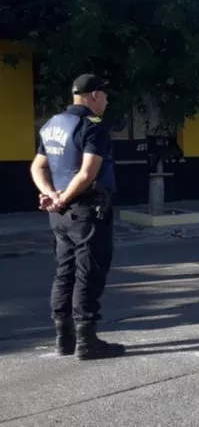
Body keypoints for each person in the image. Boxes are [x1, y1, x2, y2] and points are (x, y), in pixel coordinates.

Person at [30, 73, 125, 360]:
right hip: (86, 210)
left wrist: (51, 194)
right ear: (94, 95)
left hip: (60, 214)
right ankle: (87, 342)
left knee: (65, 272)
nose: (106, 101)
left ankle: (64, 339)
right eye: (104, 95)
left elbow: (37, 167)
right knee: (88, 273)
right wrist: (64, 197)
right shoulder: (92, 126)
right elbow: (87, 173)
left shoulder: (52, 124)